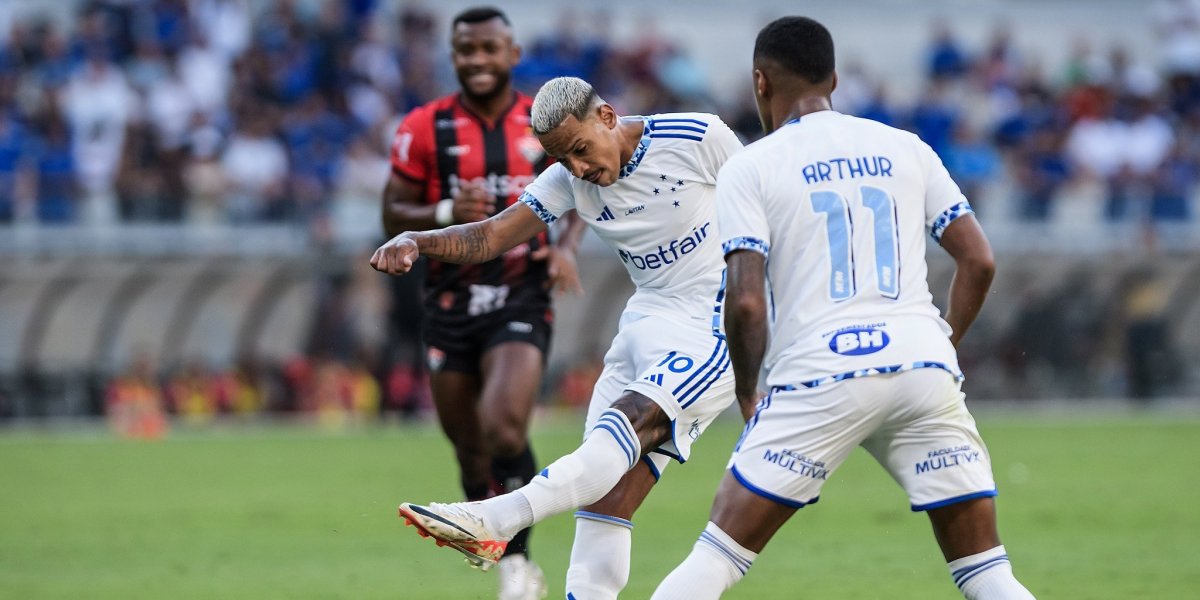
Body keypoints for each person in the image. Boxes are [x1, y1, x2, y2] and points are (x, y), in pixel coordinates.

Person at [651, 17, 1036, 600]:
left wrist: (747, 389)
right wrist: (943, 342)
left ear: (760, 82)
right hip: (922, 368)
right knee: (987, 573)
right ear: (833, 79)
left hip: (821, 374)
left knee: (716, 559)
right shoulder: (907, 147)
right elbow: (979, 260)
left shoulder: (750, 166)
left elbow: (747, 301)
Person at [372, 76, 744, 599]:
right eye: (562, 159)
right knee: (602, 500)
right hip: (644, 323)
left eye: (580, 150)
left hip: (712, 324)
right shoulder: (568, 179)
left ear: (607, 117)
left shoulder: (697, 137)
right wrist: (418, 240)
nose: (578, 168)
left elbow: (770, 206)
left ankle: (494, 519)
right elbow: (491, 235)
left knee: (619, 433)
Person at [381, 8, 584, 599]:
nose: (477, 60)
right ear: (453, 57)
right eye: (466, 50)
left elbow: (588, 183)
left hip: (521, 292)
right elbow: (392, 212)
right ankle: (504, 556)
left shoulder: (542, 120)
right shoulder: (425, 127)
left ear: (512, 54)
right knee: (470, 448)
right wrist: (447, 211)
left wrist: (566, 247)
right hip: (449, 300)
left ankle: (519, 568)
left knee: (503, 425)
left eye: (489, 48)